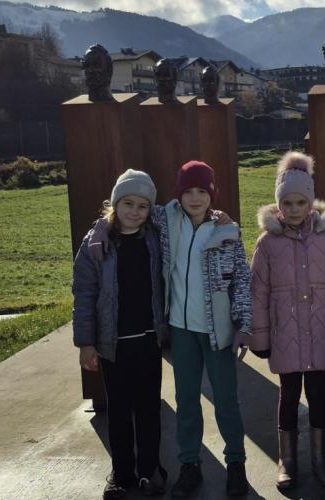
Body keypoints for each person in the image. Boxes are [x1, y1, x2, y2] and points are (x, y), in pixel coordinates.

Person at [248, 152, 325, 489]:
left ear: (311, 202)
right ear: (278, 204)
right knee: (288, 393)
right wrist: (262, 339)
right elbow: (258, 294)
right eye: (287, 202)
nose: (294, 209)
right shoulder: (267, 244)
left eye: (300, 202)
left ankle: (321, 458)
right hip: (286, 335)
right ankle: (288, 459)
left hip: (322, 332)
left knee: (318, 392)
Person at [154, 161, 252, 498]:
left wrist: (243, 326)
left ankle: (236, 464)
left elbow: (241, 282)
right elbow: (133, 209)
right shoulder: (167, 222)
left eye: (202, 191)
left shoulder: (227, 232)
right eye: (187, 191)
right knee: (186, 401)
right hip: (181, 331)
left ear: (212, 195)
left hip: (218, 332)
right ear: (178, 194)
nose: (194, 198)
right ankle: (190, 465)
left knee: (226, 400)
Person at [72, 170, 169, 499]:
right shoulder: (96, 244)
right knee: (119, 412)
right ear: (115, 204)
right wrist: (86, 343)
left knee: (148, 410)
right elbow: (84, 295)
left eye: (143, 206)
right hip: (113, 346)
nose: (134, 212)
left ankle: (149, 469)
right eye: (128, 203)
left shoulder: (155, 238)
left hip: (148, 341)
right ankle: (122, 472)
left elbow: (188, 212)